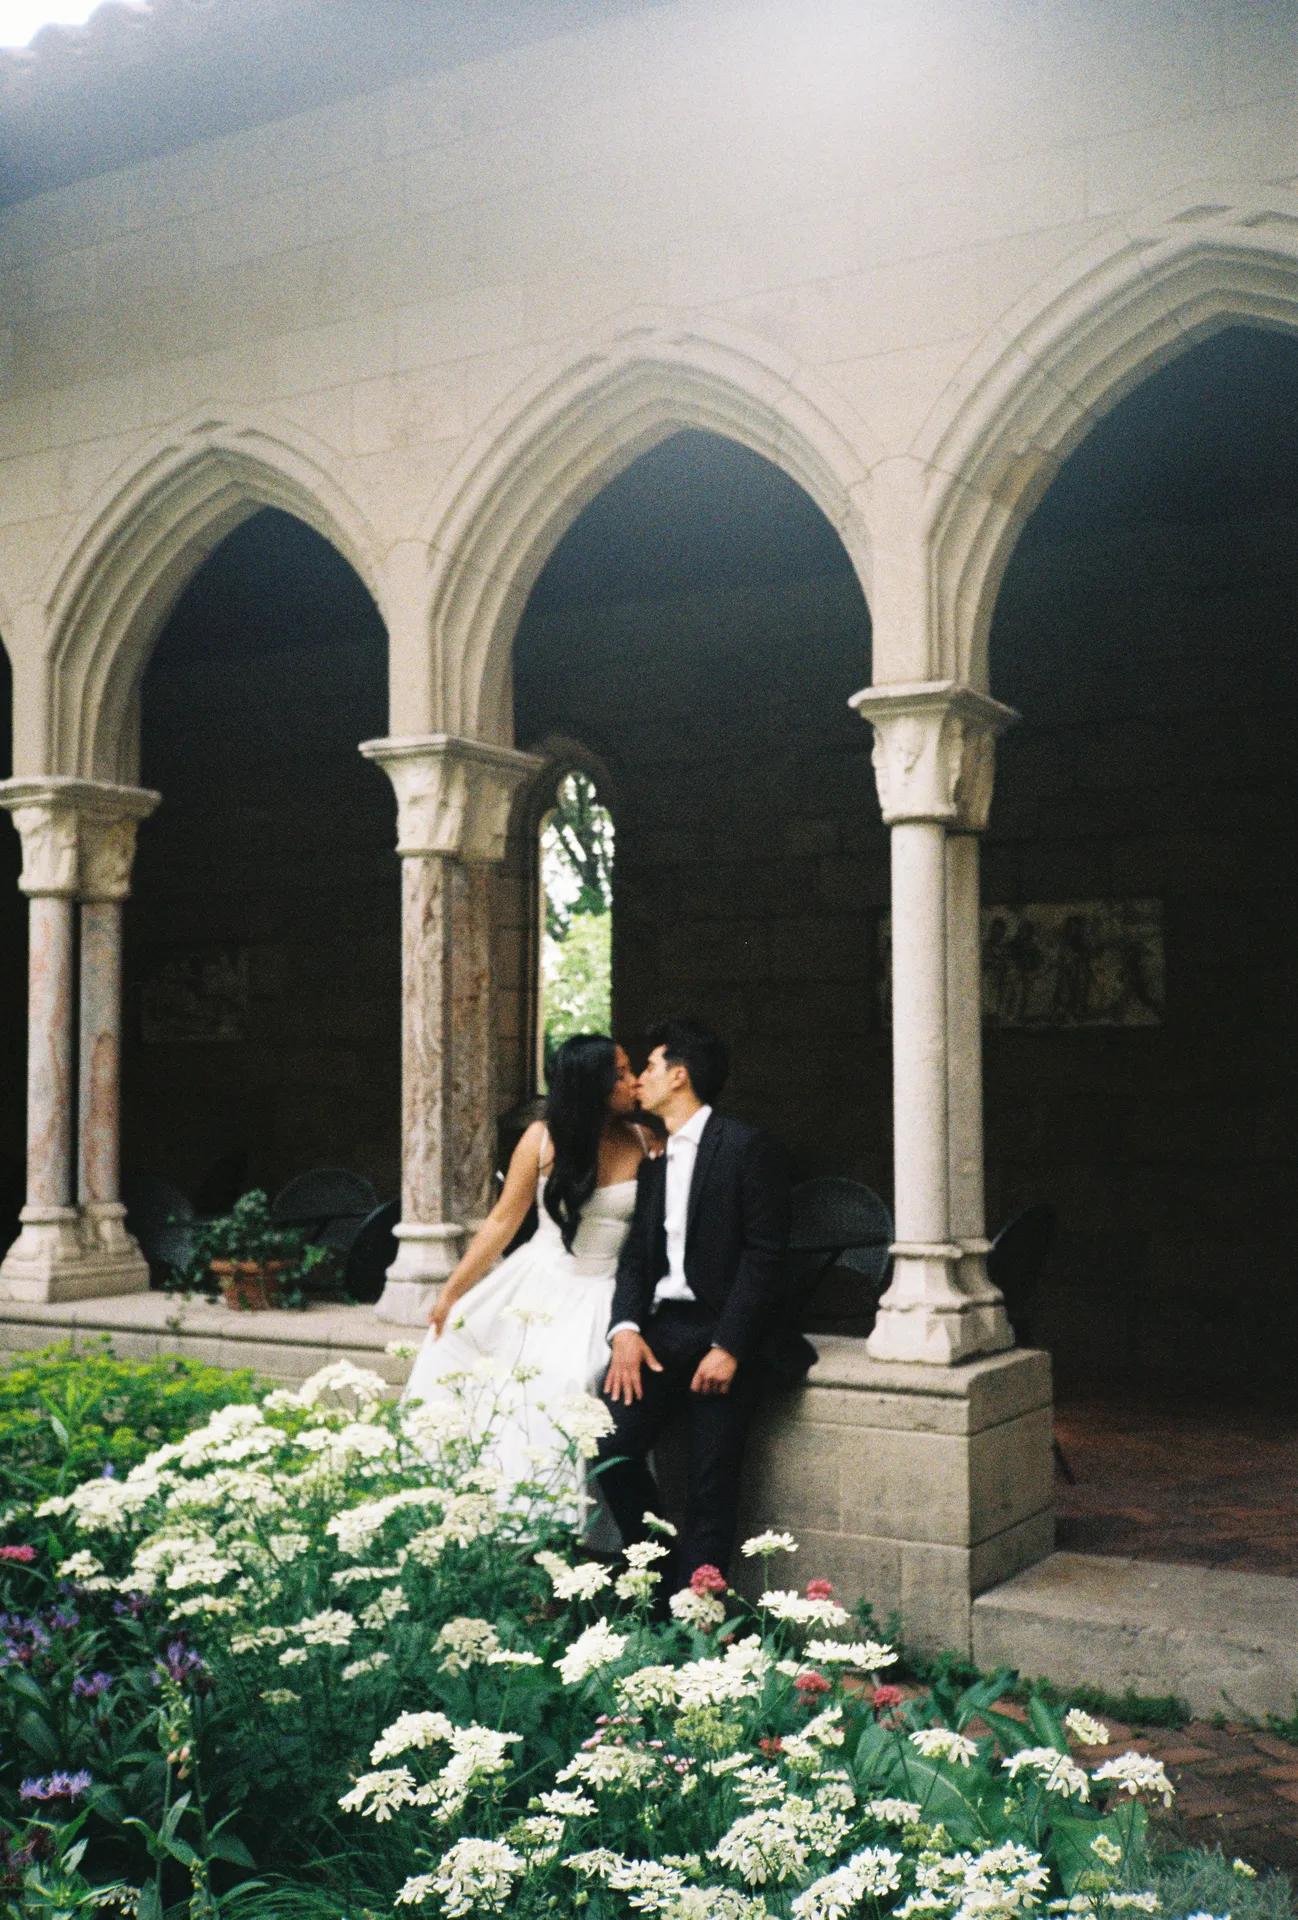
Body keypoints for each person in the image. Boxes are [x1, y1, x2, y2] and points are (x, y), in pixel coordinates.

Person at [597, 1016, 814, 1595]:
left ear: (680, 1076)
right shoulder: (654, 1160)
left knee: (710, 1481)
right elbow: (636, 1260)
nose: (639, 1079)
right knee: (609, 1446)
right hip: (661, 1332)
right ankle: (662, 1575)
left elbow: (764, 1255)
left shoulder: (746, 1148)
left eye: (649, 1066)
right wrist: (625, 1328)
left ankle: (696, 1617)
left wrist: (729, 1345)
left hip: (725, 1332)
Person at [403, 1034, 649, 1516]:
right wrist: (452, 1292)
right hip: (539, 1278)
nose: (634, 1081)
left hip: (604, 1289)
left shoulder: (645, 1138)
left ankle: (560, 1518)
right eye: (621, 1074)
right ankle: (475, 1501)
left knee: (571, 1378)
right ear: (593, 1086)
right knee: (461, 1343)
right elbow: (502, 1221)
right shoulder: (541, 1138)